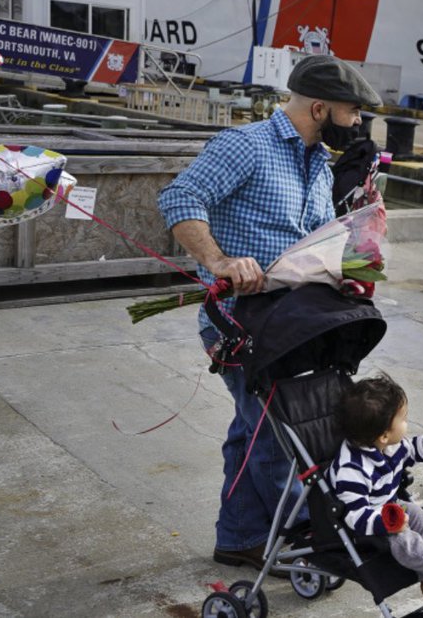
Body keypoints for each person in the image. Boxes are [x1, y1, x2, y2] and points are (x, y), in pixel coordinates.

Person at [157, 55, 381, 572]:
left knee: (254, 430)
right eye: (351, 112)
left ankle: (239, 537)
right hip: (240, 320)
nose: (357, 123)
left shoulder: (318, 163)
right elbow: (179, 197)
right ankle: (296, 533)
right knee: (278, 435)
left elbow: (315, 238)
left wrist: (346, 265)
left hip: (292, 320)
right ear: (320, 107)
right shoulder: (246, 145)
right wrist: (219, 260)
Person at [329, 374, 423, 603]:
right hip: (368, 525)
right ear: (383, 435)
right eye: (403, 419)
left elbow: (410, 450)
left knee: (422, 519)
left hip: (390, 507)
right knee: (403, 540)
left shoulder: (389, 446)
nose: (407, 423)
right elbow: (356, 515)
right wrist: (387, 523)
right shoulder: (351, 469)